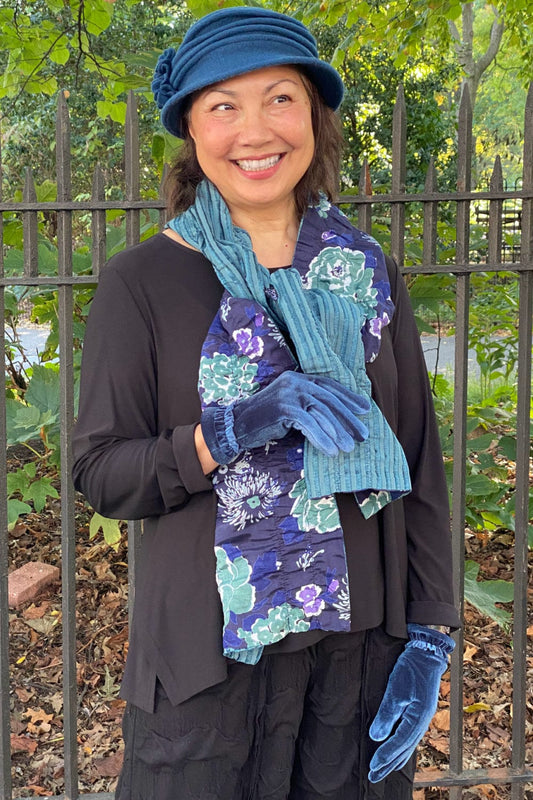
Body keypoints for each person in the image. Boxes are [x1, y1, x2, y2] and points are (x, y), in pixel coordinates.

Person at [72, 7, 460, 799]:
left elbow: (418, 464)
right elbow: (103, 473)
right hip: (209, 665)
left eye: (279, 98)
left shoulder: (365, 270)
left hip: (359, 654)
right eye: (223, 106)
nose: (255, 130)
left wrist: (430, 634)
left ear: (313, 118)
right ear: (191, 128)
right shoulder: (141, 284)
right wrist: (234, 427)